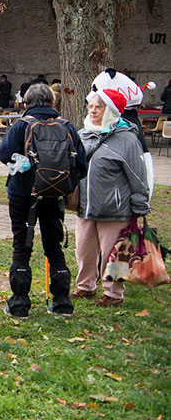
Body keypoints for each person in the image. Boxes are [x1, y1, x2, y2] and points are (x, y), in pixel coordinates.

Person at [0, 83, 87, 318]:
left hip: (22, 195)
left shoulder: (21, 126)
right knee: (54, 247)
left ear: (26, 104)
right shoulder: (67, 127)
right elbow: (82, 164)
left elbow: (3, 154)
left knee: (21, 246)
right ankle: (62, 302)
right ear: (53, 103)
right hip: (54, 195)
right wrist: (63, 184)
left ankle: (19, 303)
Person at [73, 88, 150, 307]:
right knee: (84, 251)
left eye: (99, 106)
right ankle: (85, 286)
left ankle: (114, 293)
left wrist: (140, 205)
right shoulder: (83, 134)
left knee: (115, 255)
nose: (94, 111)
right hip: (86, 207)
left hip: (115, 210)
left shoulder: (127, 139)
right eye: (91, 106)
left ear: (111, 110)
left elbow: (138, 176)